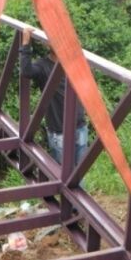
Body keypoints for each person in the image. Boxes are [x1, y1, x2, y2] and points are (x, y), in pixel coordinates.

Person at [20, 27, 88, 164]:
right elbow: (26, 71)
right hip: (59, 130)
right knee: (62, 174)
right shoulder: (42, 66)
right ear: (47, 43)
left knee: (79, 174)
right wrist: (26, 43)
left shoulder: (72, 62)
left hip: (79, 126)